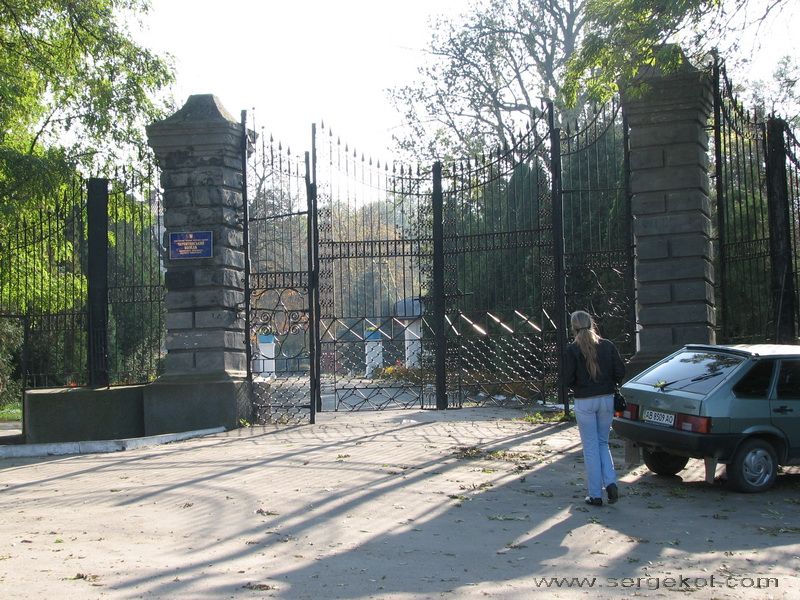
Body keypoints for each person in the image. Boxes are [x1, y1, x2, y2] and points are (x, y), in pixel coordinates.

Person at [563, 310, 626, 507]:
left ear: (573, 327)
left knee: (590, 447)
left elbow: (566, 379)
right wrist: (607, 383)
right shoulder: (607, 346)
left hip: (585, 401)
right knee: (602, 443)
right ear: (592, 323)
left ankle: (595, 494)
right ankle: (611, 482)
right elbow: (620, 371)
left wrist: (580, 385)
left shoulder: (572, 350)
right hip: (606, 399)